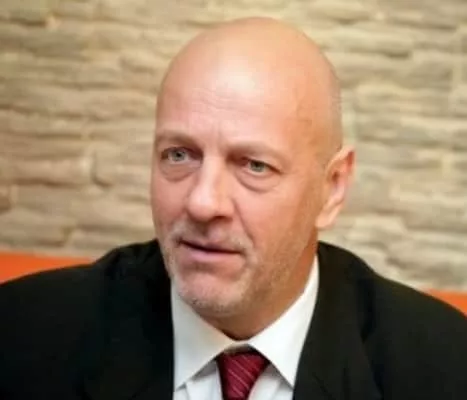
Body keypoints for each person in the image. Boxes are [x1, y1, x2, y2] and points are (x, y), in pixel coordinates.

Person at [0, 17, 466, 400]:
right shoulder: (22, 336)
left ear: (332, 188)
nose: (203, 203)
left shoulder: (444, 367)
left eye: (254, 166)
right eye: (179, 155)